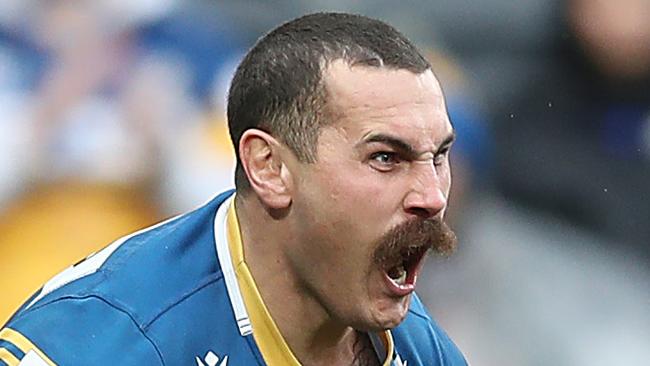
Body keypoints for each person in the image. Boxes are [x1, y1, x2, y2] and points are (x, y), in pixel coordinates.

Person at [0, 12, 467, 365]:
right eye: (385, 158)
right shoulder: (100, 346)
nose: (432, 196)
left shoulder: (412, 341)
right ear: (269, 168)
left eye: (440, 156)